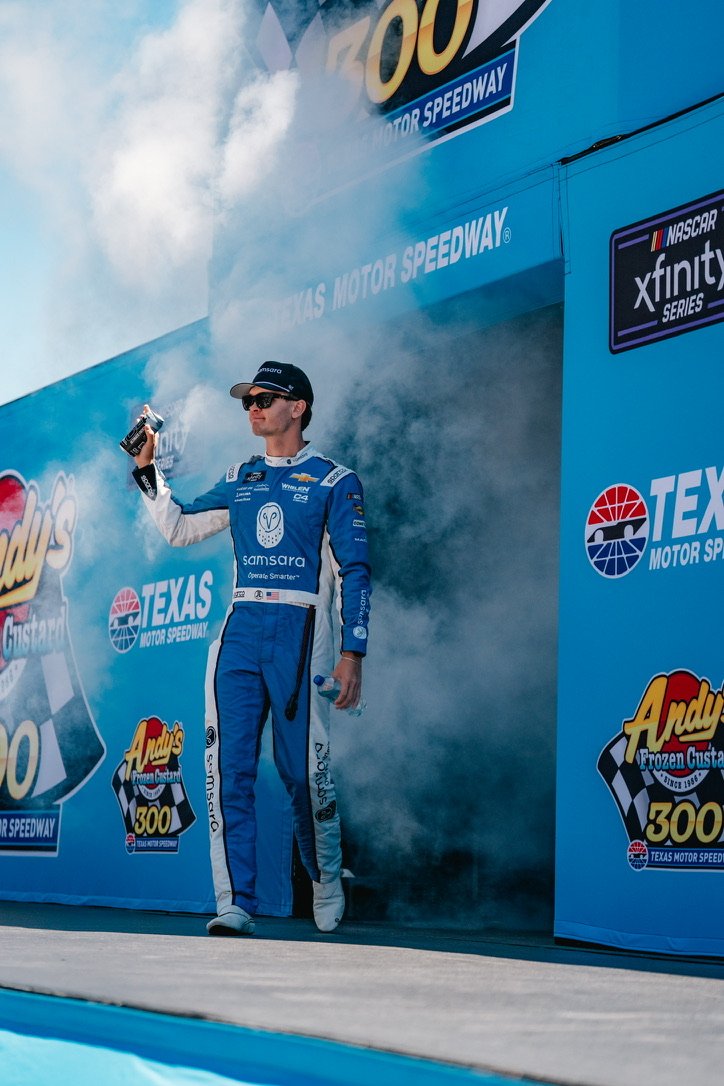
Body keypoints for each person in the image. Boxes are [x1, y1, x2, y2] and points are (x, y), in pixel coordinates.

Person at [130, 362, 371, 935]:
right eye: (247, 400)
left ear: (299, 407)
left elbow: (355, 571)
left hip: (303, 634)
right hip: (241, 631)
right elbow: (181, 526)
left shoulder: (337, 481)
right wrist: (147, 472)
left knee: (303, 776)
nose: (254, 407)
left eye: (266, 398)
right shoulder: (241, 476)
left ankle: (326, 877)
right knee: (227, 770)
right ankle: (234, 902)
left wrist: (353, 652)